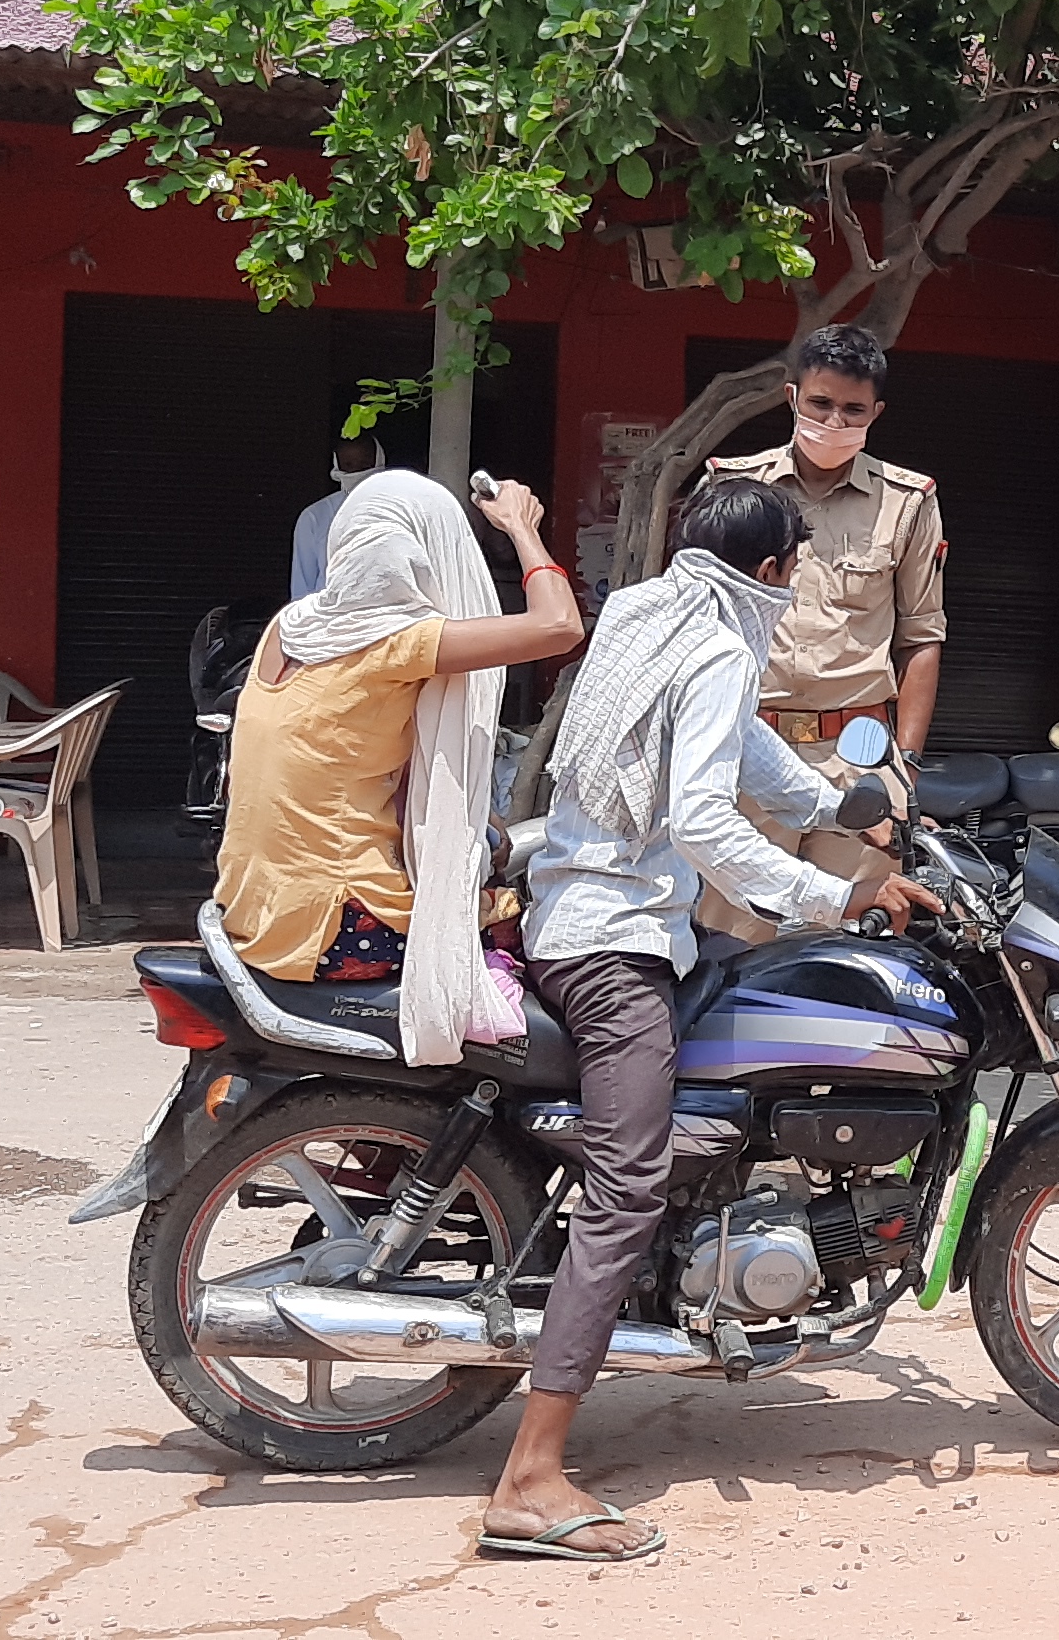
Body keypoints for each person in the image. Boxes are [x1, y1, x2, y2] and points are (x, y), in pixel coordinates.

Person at [479, 474, 941, 1563]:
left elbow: (743, 751)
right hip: (610, 942)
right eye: (797, 567)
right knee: (627, 1179)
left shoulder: (652, 610)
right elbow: (700, 815)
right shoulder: (725, 642)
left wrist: (843, 806)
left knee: (775, 1013)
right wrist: (839, 890)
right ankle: (530, 1474)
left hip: (591, 906)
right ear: (775, 569)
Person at [214, 472, 581, 1064]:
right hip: (336, 923)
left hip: (254, 905)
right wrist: (520, 527)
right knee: (522, 928)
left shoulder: (291, 628)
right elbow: (559, 626)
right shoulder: (393, 644)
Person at [697, 325, 946, 893]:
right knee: (739, 934)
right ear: (792, 398)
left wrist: (903, 769)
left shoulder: (907, 504)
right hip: (746, 747)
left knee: (859, 933)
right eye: (821, 404)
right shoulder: (734, 491)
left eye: (853, 410)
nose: (835, 423)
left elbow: (921, 638)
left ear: (875, 414)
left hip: (859, 753)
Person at [289, 436, 385, 601]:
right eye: (348, 465)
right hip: (329, 620)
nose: (357, 473)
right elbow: (302, 587)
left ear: (379, 461)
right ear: (337, 464)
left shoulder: (400, 511)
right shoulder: (314, 517)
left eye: (364, 465)